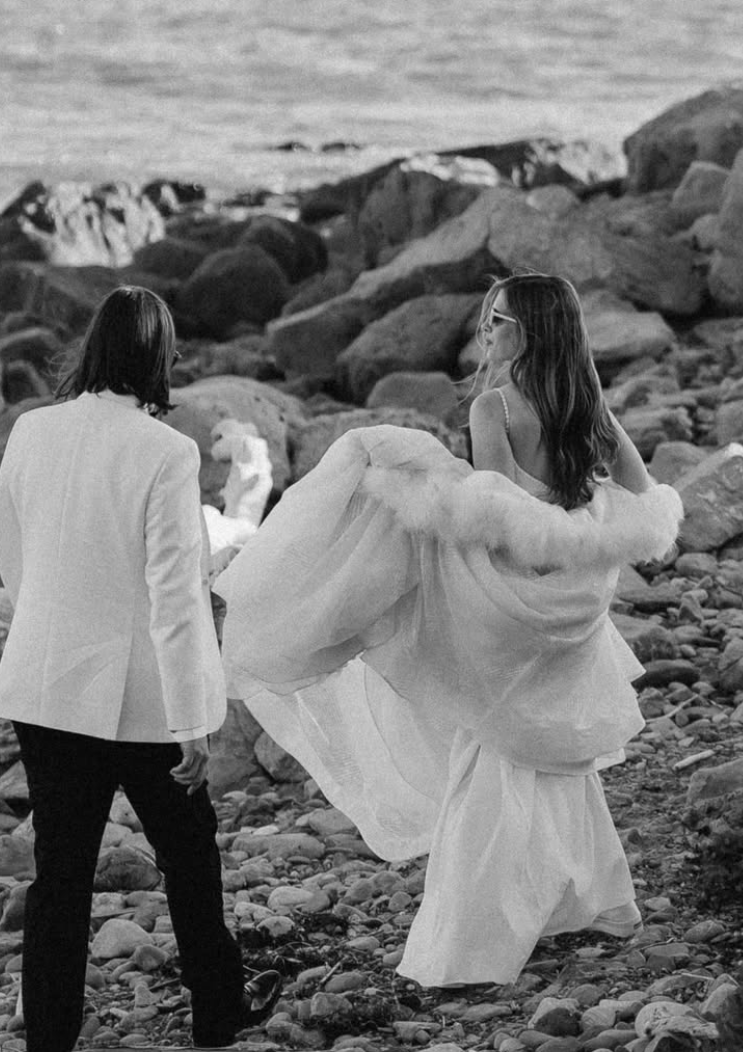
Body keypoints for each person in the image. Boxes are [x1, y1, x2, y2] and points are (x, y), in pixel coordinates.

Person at [216, 272, 683, 987]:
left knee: (491, 757)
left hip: (508, 608)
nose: (486, 331)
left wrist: (422, 495)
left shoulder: (497, 407)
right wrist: (586, 535)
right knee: (549, 757)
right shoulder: (591, 408)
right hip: (574, 604)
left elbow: (496, 518)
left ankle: (470, 944)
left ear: (529, 331)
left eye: (498, 320)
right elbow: (646, 500)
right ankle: (593, 900)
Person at [0, 285, 281, 1052]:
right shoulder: (166, 452)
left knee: (59, 876)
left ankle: (49, 1039)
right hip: (144, 700)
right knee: (189, 857)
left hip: (48, 687)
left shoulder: (31, 430)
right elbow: (175, 596)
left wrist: (54, 628)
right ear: (159, 358)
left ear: (93, 346)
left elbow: (14, 556)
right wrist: (192, 719)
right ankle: (218, 1012)